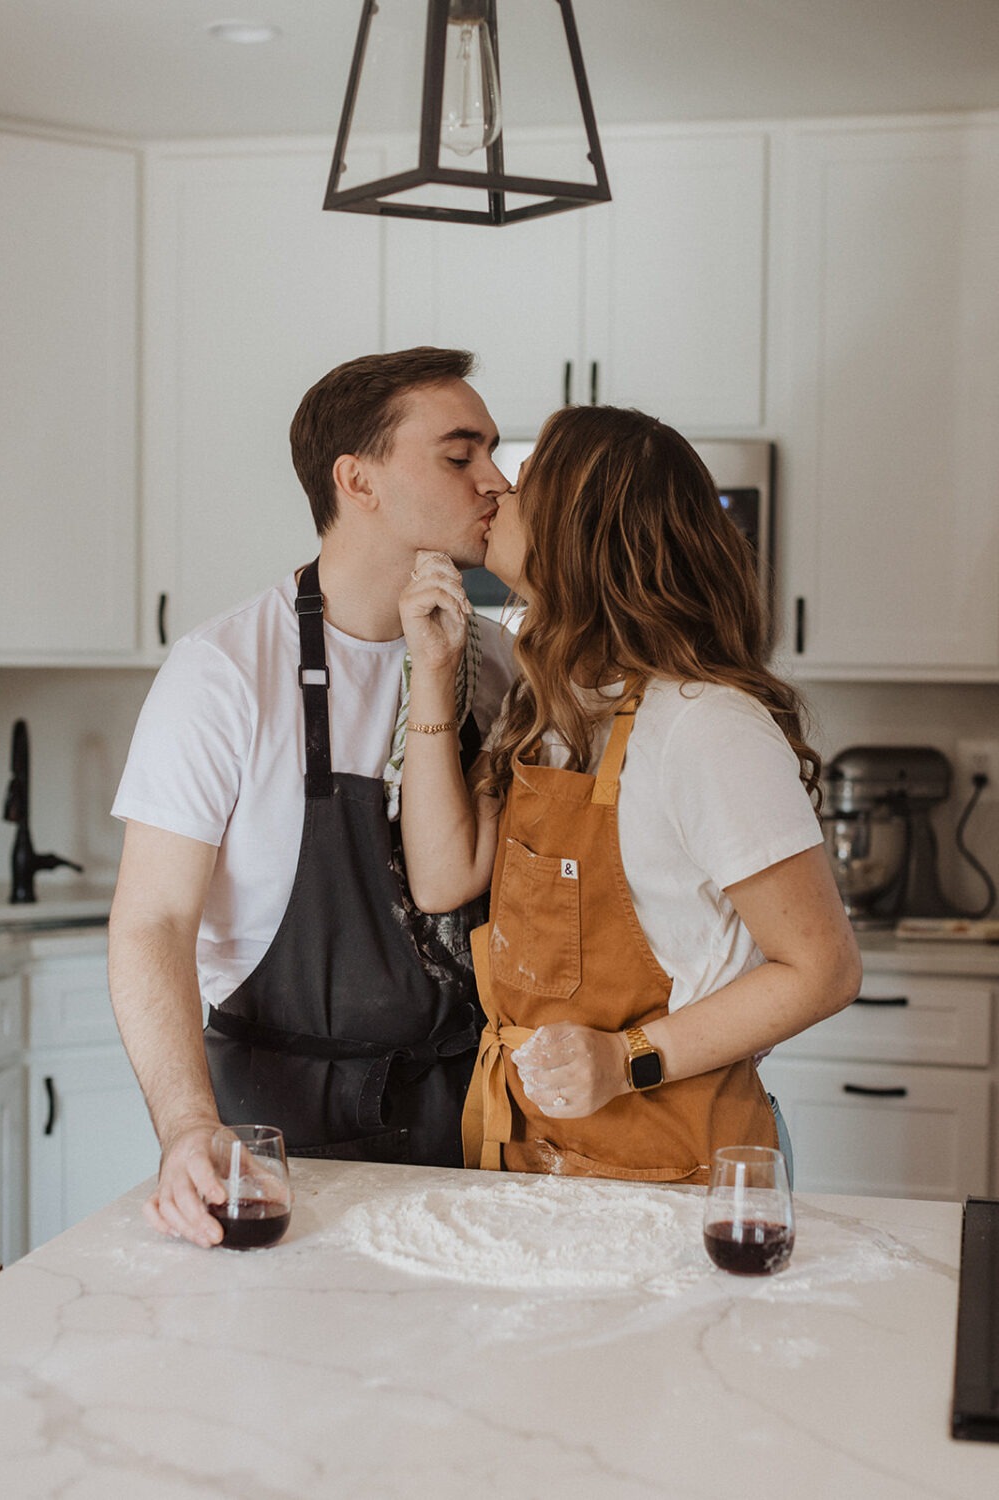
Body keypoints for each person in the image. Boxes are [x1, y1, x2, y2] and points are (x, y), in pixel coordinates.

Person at [108, 347, 515, 1247]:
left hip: (475, 1126)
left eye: (492, 452)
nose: (496, 479)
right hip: (283, 1143)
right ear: (356, 479)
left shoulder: (495, 664)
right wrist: (185, 1126)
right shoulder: (224, 674)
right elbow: (152, 924)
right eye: (460, 455)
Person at [398, 403, 862, 1182]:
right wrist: (435, 676)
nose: (500, 489)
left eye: (528, 480)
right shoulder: (542, 703)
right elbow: (445, 877)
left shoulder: (706, 726)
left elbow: (823, 968)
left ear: (581, 529)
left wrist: (626, 1058)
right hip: (533, 1156)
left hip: (671, 1165)